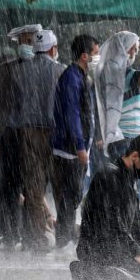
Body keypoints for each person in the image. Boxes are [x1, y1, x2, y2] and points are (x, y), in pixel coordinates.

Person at [70, 135, 140, 280]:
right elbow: (113, 223)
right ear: (134, 156)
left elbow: (138, 225)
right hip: (97, 249)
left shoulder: (128, 181)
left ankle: (109, 273)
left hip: (117, 249)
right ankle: (87, 270)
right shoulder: (109, 175)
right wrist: (137, 254)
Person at [95, 32, 140, 244]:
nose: (135, 53)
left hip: (127, 140)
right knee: (129, 192)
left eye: (137, 49)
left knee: (135, 190)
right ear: (122, 50)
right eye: (132, 49)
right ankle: (123, 236)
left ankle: (130, 233)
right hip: (129, 141)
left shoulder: (110, 73)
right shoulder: (124, 75)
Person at [4, 30, 64, 251]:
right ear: (52, 49)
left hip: (27, 132)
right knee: (59, 186)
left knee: (33, 187)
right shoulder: (61, 71)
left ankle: (35, 238)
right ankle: (63, 234)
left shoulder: (18, 71)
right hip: (55, 134)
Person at [0, 24, 43, 249]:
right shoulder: (5, 70)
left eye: (32, 40)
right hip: (12, 133)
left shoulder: (44, 69)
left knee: (33, 188)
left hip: (35, 134)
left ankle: (31, 235)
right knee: (10, 186)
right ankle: (11, 233)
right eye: (24, 40)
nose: (28, 44)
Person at [51, 34, 100, 248]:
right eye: (96, 54)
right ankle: (64, 240)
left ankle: (65, 236)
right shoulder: (72, 77)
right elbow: (73, 115)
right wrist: (80, 146)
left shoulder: (81, 76)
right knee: (70, 197)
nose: (98, 58)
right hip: (70, 150)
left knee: (72, 197)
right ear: (84, 56)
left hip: (76, 148)